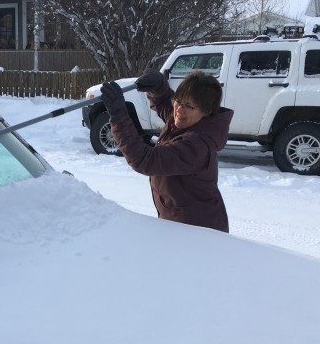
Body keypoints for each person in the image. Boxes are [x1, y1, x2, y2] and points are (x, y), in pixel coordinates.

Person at [99, 70, 233, 233]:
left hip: (199, 232)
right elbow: (165, 105)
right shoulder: (185, 122)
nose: (179, 110)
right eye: (178, 101)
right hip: (179, 223)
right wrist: (159, 87)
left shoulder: (196, 146)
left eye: (188, 106)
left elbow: (145, 160)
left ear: (206, 112)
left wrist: (119, 115)